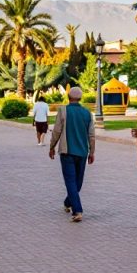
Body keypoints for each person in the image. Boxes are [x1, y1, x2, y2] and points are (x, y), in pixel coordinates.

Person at [49, 87, 95, 222]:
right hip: (78, 152)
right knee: (76, 182)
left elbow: (56, 131)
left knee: (74, 183)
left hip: (70, 152)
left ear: (68, 97)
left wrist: (52, 147)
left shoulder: (64, 111)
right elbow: (91, 135)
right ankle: (77, 210)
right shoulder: (86, 113)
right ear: (80, 98)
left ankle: (68, 203)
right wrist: (92, 152)